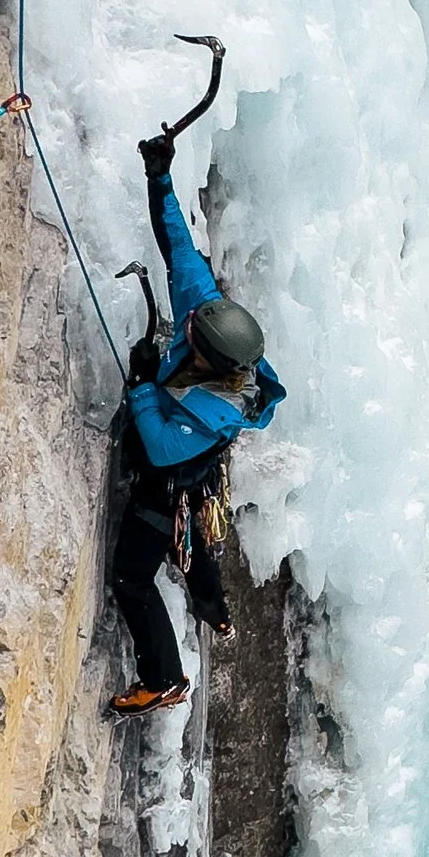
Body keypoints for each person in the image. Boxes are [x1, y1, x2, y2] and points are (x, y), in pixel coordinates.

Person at [108, 132, 285, 717]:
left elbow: (159, 448)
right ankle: (216, 611)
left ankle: (163, 678)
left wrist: (140, 387)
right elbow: (179, 252)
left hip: (171, 483)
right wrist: (160, 175)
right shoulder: (207, 319)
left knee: (134, 575)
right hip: (186, 477)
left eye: (192, 335)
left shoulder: (221, 409)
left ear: (210, 356)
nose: (184, 329)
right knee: (193, 557)